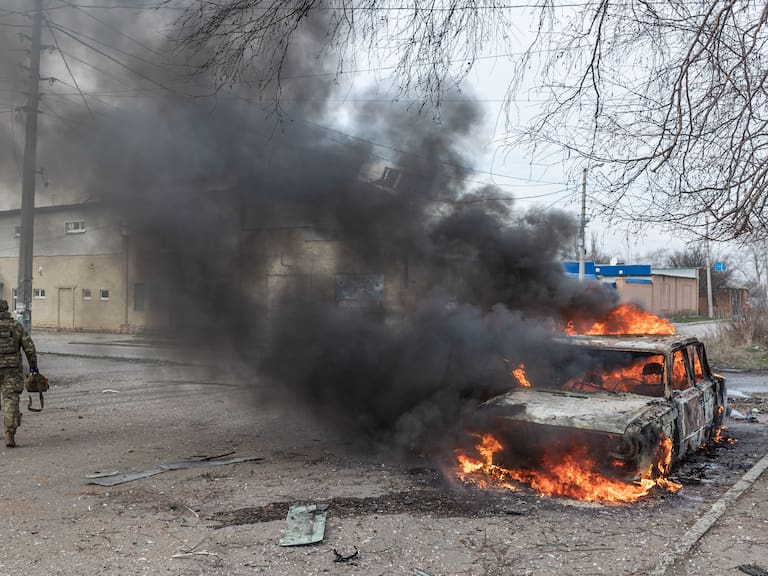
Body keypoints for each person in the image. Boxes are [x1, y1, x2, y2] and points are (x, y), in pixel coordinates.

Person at [0, 299, 38, 448]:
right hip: (12, 370)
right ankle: (9, 434)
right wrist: (33, 367)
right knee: (10, 400)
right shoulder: (15, 326)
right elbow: (29, 347)